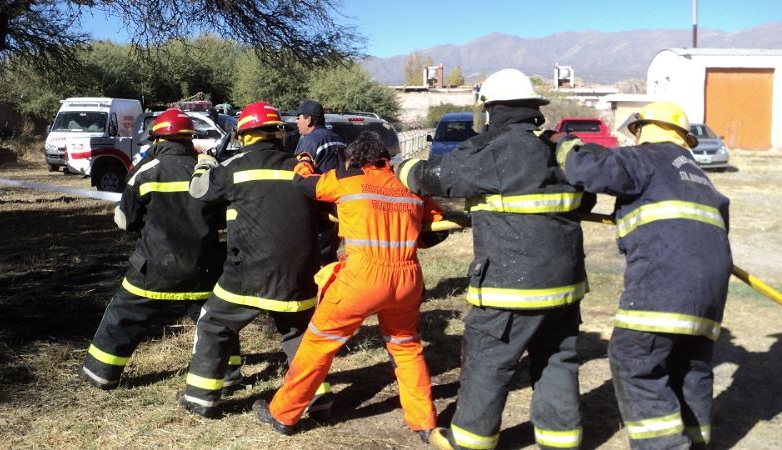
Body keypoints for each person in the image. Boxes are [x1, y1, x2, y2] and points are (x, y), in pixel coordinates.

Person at [396, 68, 591, 450]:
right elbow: (588, 198)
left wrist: (402, 169)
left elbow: (437, 177)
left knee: (489, 360)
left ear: (490, 110)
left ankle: (469, 441)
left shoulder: (496, 150)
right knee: (557, 361)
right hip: (566, 287)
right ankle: (561, 441)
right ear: (534, 108)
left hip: (510, 287)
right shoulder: (559, 147)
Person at [554, 101, 732, 449]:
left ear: (645, 130)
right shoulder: (700, 178)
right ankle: (695, 441)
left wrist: (565, 145)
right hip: (711, 290)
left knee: (634, 356)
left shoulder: (648, 158)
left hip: (666, 280)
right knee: (690, 364)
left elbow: (589, 169)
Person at [252, 131, 445, 445]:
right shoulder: (409, 186)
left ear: (355, 159)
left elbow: (304, 185)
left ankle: (283, 414)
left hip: (361, 278)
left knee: (318, 345)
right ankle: (424, 422)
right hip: (407, 278)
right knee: (407, 349)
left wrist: (303, 161)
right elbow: (436, 231)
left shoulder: (347, 178)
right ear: (386, 159)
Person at [178, 101, 328, 419]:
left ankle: (201, 398)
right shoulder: (301, 168)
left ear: (244, 135)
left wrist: (204, 162)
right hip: (301, 271)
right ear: (279, 135)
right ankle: (317, 399)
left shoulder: (236, 167)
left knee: (214, 322)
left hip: (251, 269)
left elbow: (199, 192)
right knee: (297, 332)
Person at [78, 108, 242, 390]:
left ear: (156, 140)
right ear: (189, 139)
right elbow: (220, 219)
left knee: (123, 317)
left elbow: (126, 221)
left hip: (152, 267)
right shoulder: (207, 172)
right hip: (202, 266)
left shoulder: (145, 171)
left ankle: (100, 374)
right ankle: (227, 375)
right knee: (214, 321)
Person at [293, 99, 346, 266]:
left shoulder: (309, 141)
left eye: (299, 117)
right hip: (340, 209)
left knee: (316, 259)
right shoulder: (338, 139)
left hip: (320, 211)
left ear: (308, 119)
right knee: (330, 255)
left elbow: (302, 176)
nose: (296, 121)